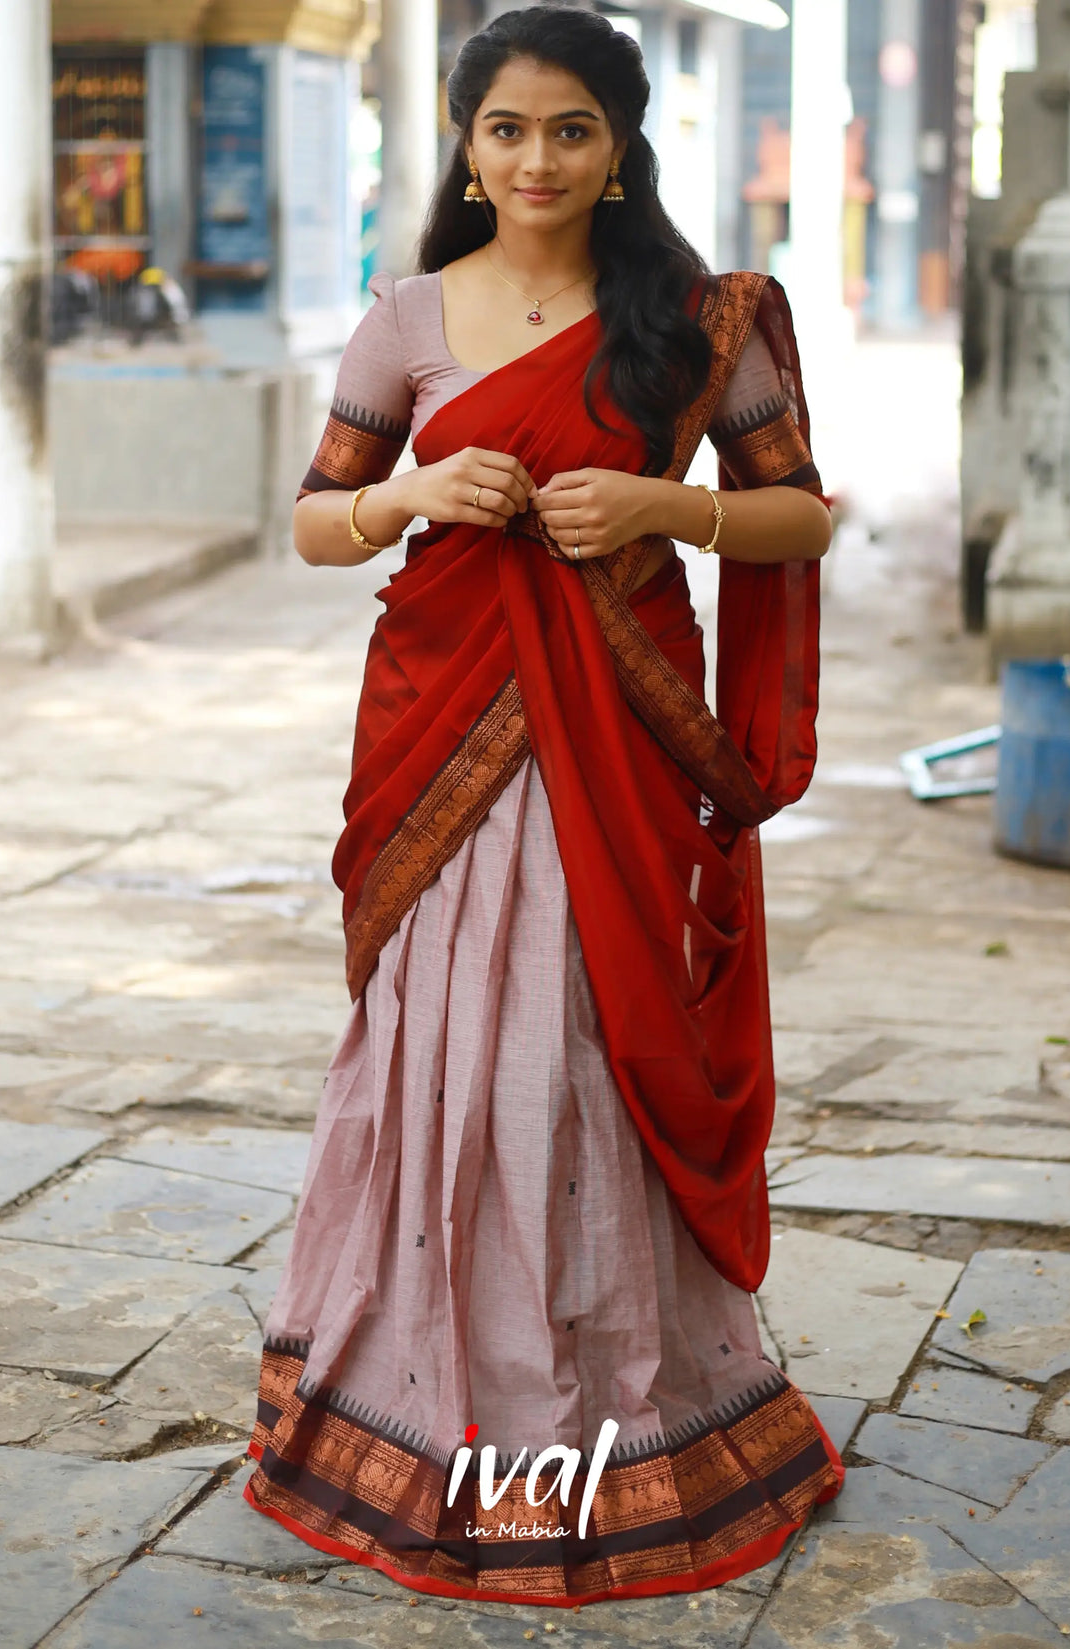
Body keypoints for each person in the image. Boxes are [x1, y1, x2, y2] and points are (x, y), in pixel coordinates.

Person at [243, 3, 844, 1607]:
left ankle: (619, 1413)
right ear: (464, 141)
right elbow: (313, 522)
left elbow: (802, 518)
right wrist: (411, 495)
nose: (535, 159)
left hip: (619, 754)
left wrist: (671, 502)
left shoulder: (699, 318)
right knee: (445, 1055)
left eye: (570, 129)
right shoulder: (409, 314)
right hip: (442, 743)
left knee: (584, 1047)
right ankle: (423, 1396)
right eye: (505, 129)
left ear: (622, 145)